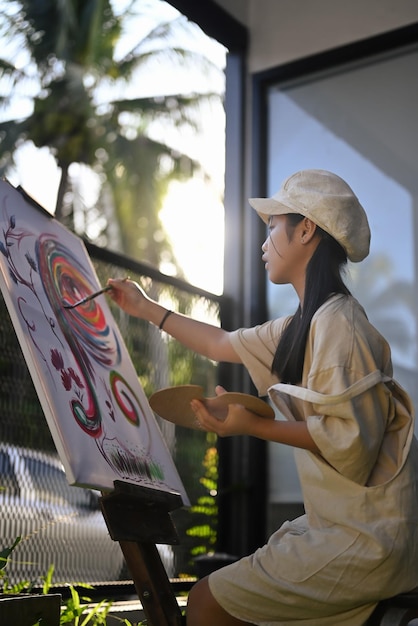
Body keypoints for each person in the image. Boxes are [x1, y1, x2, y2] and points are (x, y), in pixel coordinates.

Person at [108, 169, 418, 626]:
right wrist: (144, 307)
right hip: (349, 530)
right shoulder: (306, 324)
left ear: (307, 229)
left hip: (367, 540)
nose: (264, 240)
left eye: (273, 225)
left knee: (205, 603)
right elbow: (220, 344)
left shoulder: (339, 326)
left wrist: (250, 425)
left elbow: (350, 441)